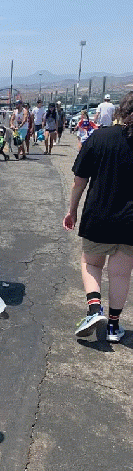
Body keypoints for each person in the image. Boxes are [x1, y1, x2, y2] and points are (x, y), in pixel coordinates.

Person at [63, 92, 133, 342]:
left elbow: (79, 181)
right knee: (121, 275)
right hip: (130, 222)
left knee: (91, 263)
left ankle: (95, 310)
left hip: (98, 215)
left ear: (120, 112)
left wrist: (72, 210)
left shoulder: (100, 136)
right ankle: (114, 327)